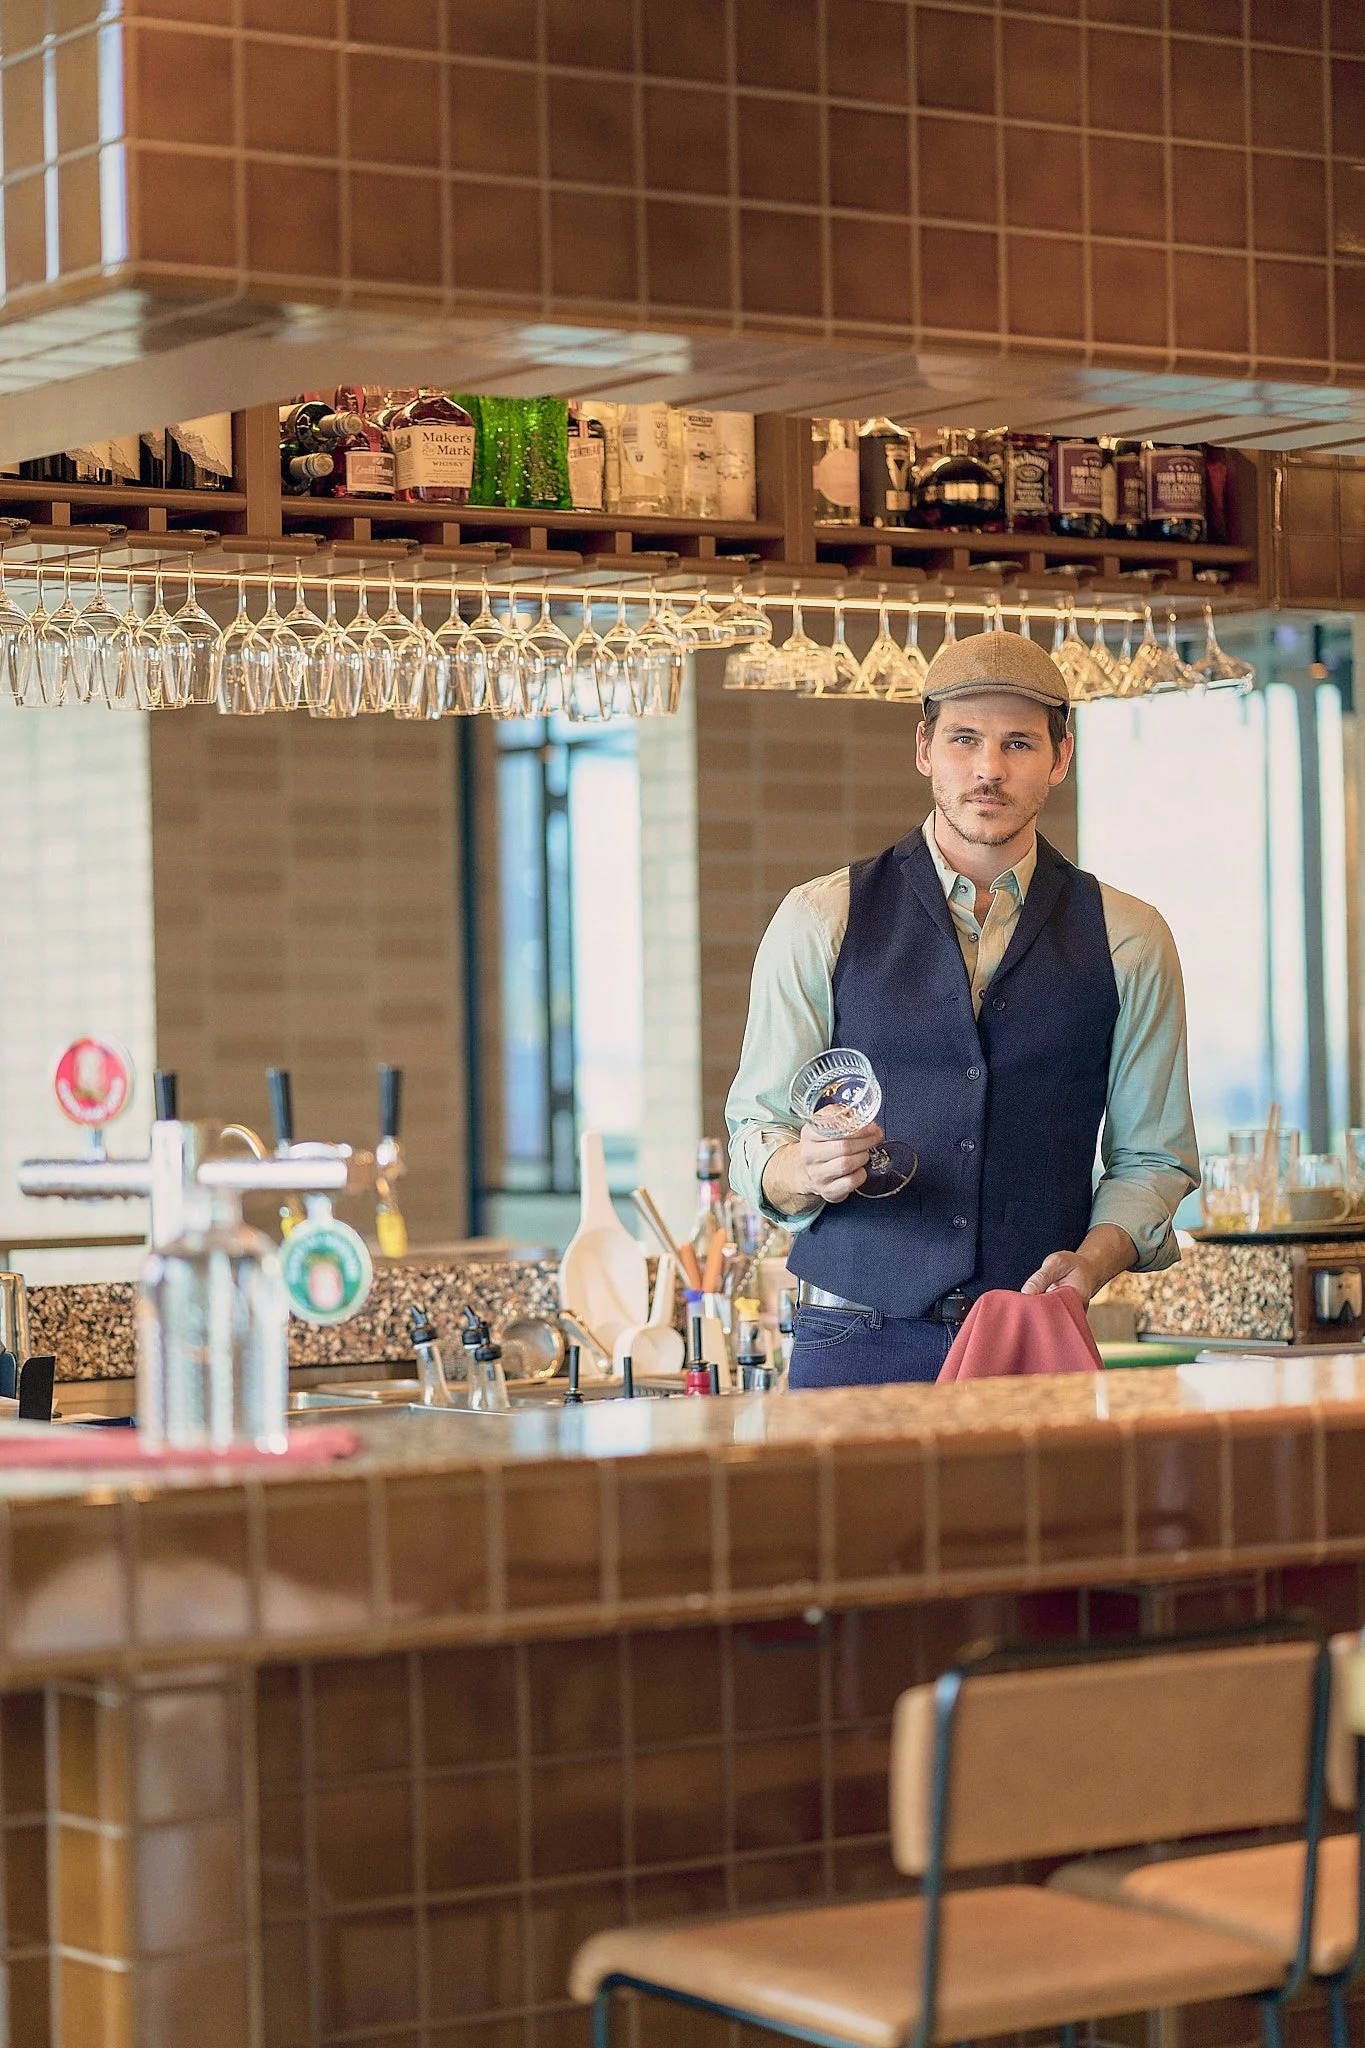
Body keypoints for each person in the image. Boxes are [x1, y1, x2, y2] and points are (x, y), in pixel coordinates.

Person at [725, 630, 1198, 1389]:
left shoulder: (1129, 938)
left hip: (1031, 1338)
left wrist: (1091, 1262)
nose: (987, 768)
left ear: (1060, 758)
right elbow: (756, 1132)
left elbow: (1151, 1158)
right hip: (853, 1334)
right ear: (923, 748)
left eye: (1018, 743)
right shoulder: (821, 917)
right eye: (963, 739)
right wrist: (803, 1169)